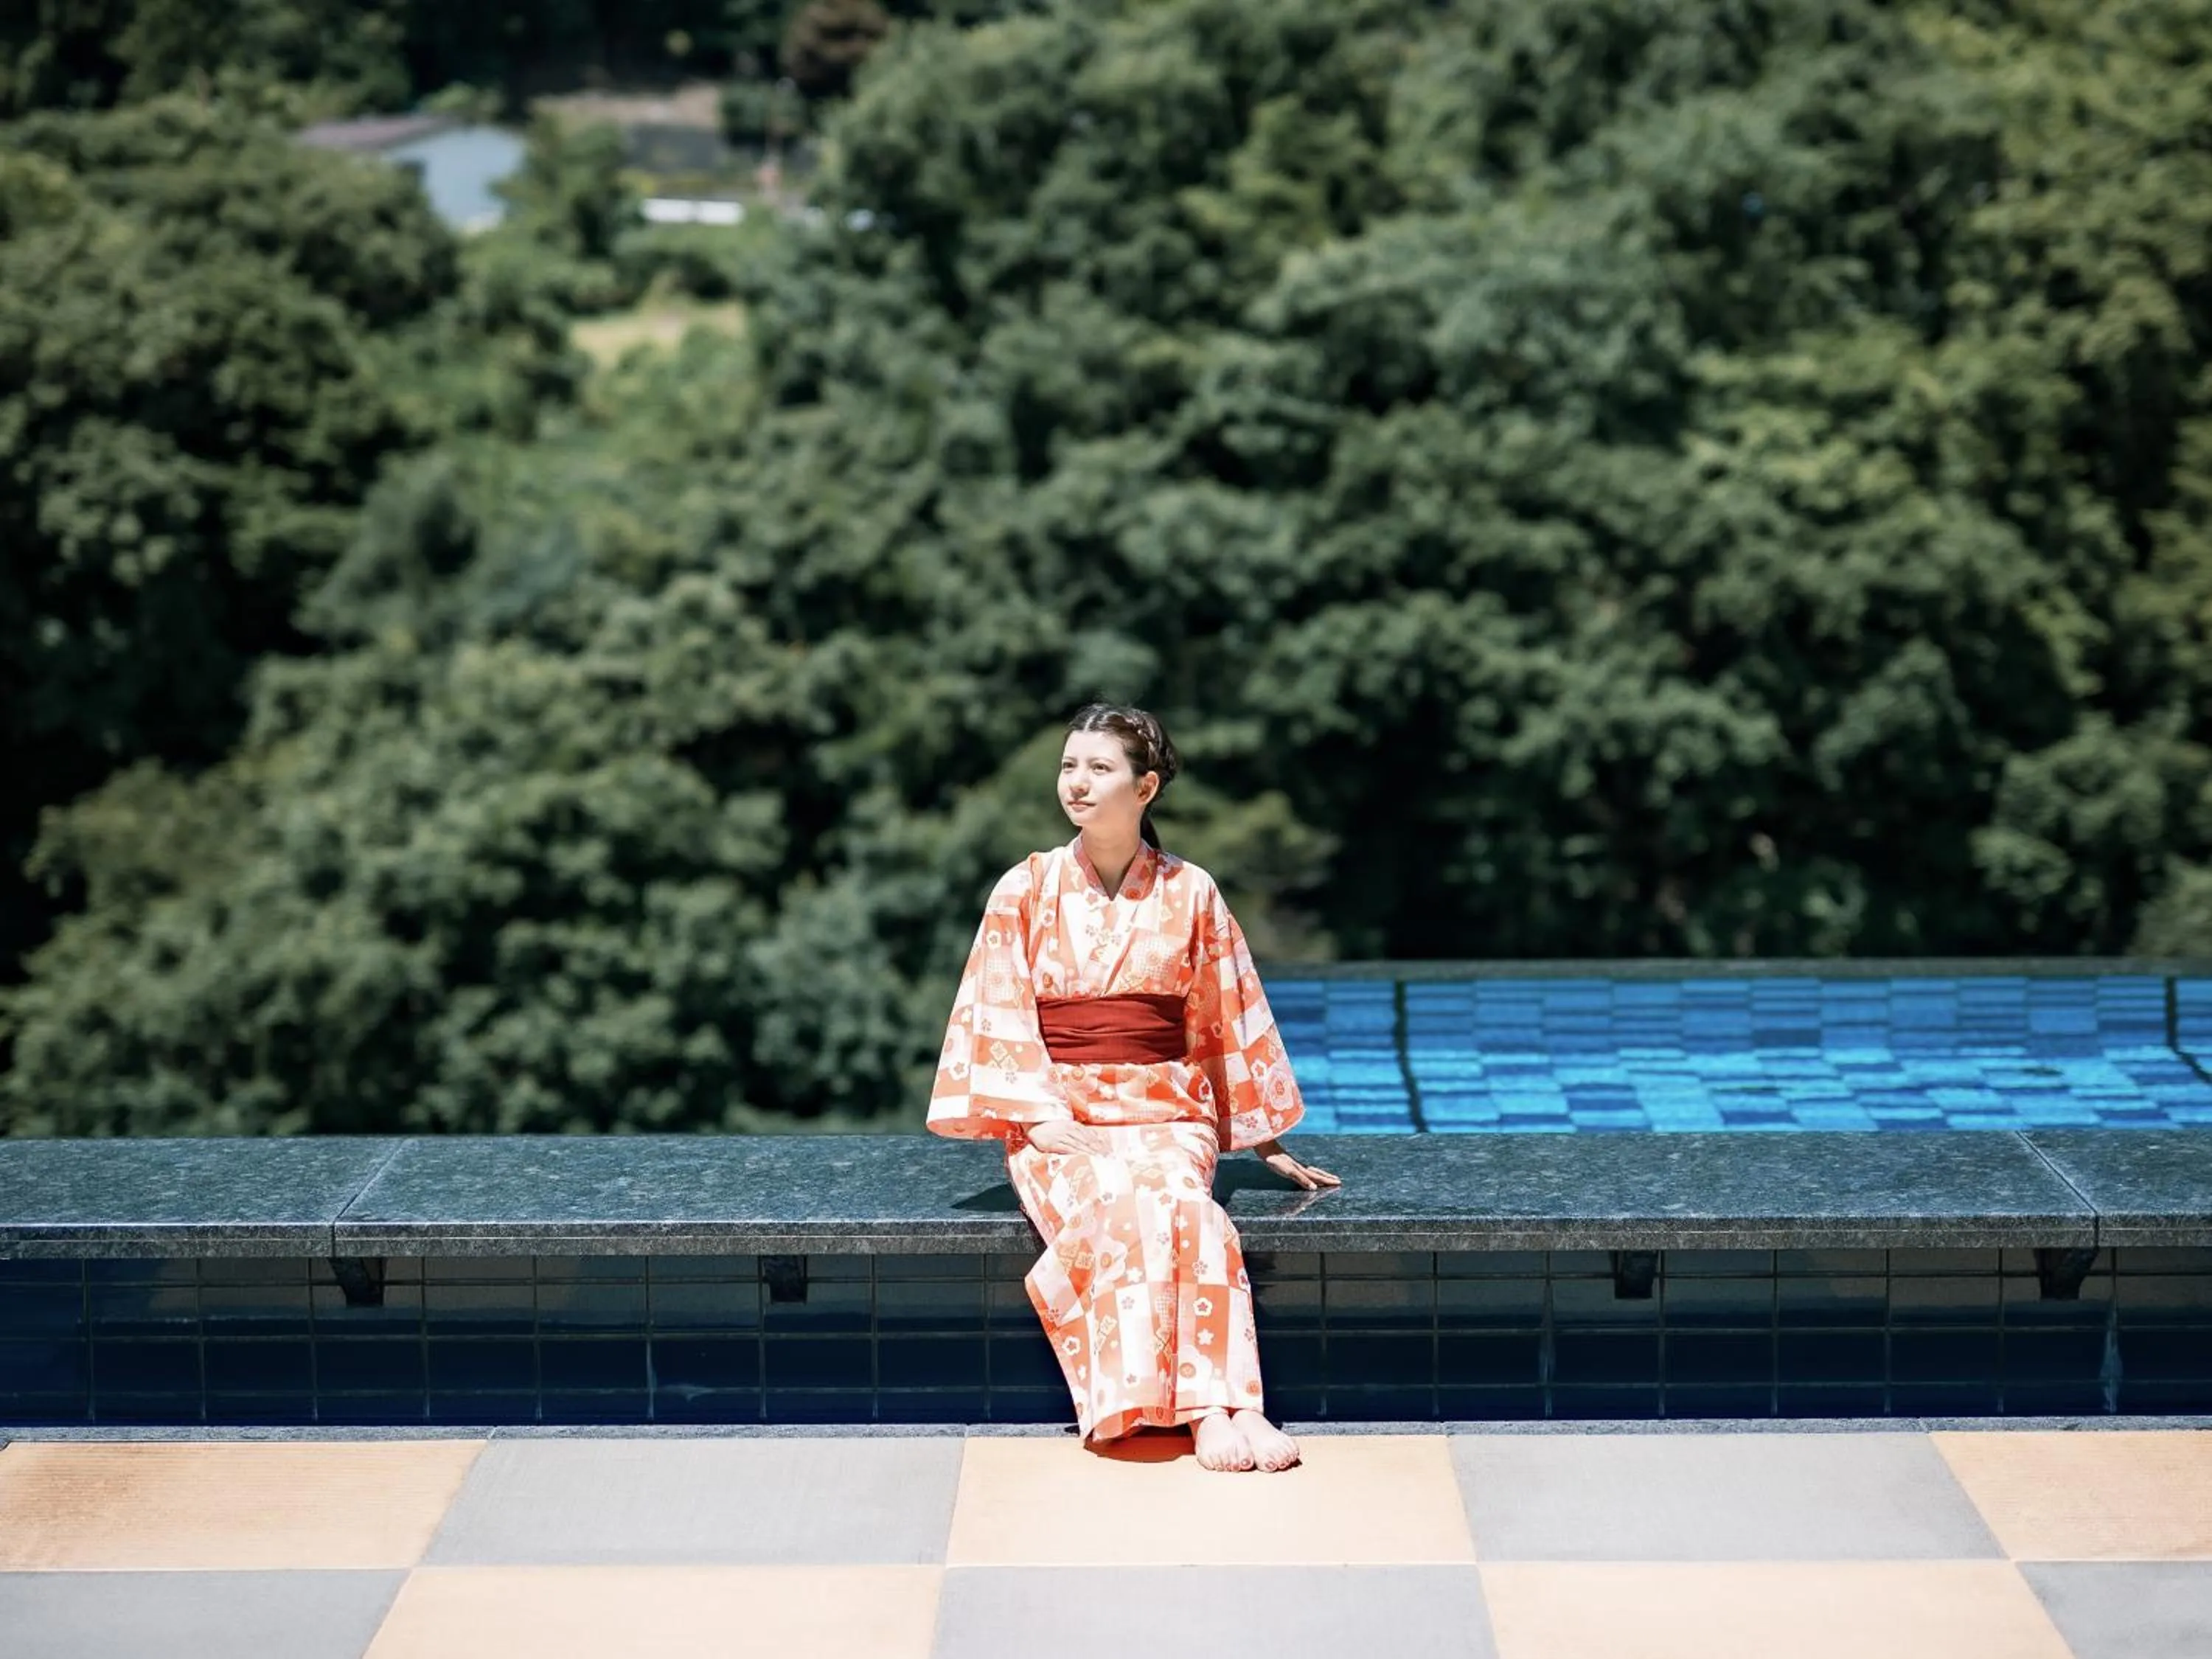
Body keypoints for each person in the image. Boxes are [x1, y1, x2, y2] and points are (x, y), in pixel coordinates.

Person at [928, 703, 1341, 1472]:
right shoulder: (1027, 887)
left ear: (1145, 787)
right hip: (1064, 1116)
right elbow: (998, 1008)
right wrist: (1039, 1114)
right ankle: (1208, 1408)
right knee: (1123, 1206)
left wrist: (1262, 1135)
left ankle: (1231, 1404)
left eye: (1099, 768)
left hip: (1165, 1109)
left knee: (1186, 1208)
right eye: (1068, 766)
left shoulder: (1192, 892)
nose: (1077, 784)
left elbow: (1226, 1014)